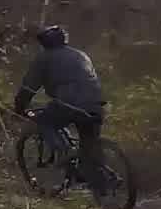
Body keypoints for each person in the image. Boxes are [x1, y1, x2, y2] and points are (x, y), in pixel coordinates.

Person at [13, 25, 107, 187]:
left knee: (43, 122)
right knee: (90, 144)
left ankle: (64, 153)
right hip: (96, 104)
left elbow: (29, 87)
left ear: (44, 43)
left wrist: (20, 107)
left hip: (68, 104)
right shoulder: (81, 55)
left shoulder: (44, 58)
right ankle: (102, 183)